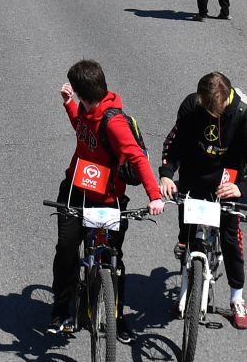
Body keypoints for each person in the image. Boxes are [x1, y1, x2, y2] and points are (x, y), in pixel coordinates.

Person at [47, 59, 165, 335]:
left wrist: (154, 196)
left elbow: (136, 156)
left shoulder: (114, 122)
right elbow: (83, 128)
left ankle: (117, 317)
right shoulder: (89, 110)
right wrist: (68, 105)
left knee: (113, 259)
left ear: (81, 91)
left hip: (107, 198)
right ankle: (61, 309)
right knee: (66, 249)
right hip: (75, 190)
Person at [157, 71, 247, 330]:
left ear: (226, 101)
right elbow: (174, 144)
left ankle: (237, 298)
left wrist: (241, 187)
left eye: (215, 111)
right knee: (186, 232)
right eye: (206, 109)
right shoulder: (191, 106)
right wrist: (166, 175)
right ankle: (187, 274)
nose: (210, 114)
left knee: (230, 239)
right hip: (193, 177)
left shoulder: (243, 115)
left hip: (226, 184)